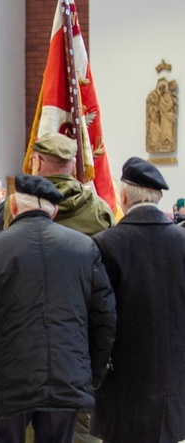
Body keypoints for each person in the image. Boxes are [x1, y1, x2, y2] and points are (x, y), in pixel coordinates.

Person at [0, 174, 116, 443]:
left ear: (14, 207)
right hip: (66, 376)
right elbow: (104, 318)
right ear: (54, 211)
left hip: (6, 380)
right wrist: (92, 375)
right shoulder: (84, 248)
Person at [90, 157, 185, 443]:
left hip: (122, 379)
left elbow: (100, 316)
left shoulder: (106, 243)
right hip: (174, 376)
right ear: (158, 197)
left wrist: (95, 372)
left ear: (123, 196)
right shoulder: (181, 241)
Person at [7, 132, 115, 235]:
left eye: (32, 159)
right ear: (73, 165)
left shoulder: (17, 206)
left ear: (38, 162)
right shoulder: (99, 209)